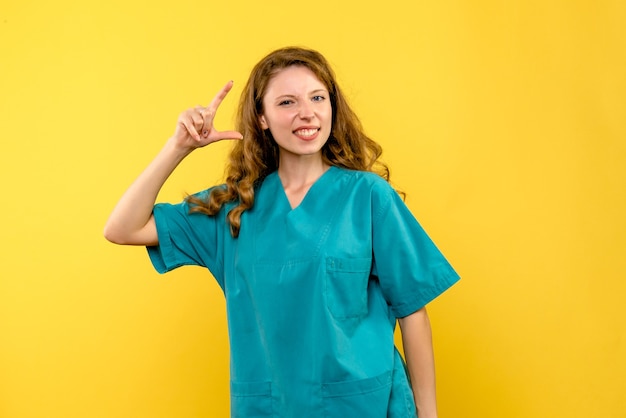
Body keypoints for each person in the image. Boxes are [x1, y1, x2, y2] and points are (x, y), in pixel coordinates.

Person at [104, 46, 459, 418]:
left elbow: (412, 311)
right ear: (262, 118)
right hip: (269, 407)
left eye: (317, 97)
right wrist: (178, 146)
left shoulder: (368, 197)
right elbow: (122, 228)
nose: (307, 112)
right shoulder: (235, 208)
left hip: (362, 403)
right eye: (287, 102)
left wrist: (428, 414)